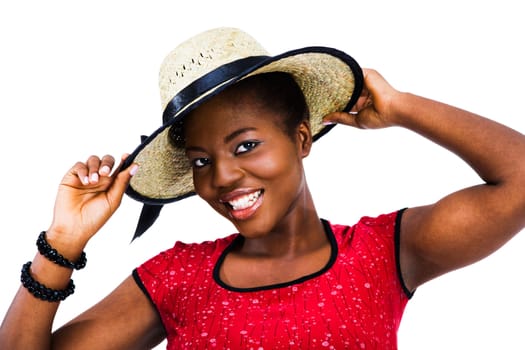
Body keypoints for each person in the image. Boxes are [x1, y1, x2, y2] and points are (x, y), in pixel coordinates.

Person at [1, 26, 524, 349]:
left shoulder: (382, 255)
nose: (223, 176)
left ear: (302, 138)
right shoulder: (175, 280)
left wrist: (402, 107)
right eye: (201, 160)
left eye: (245, 145)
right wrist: (62, 244)